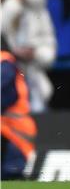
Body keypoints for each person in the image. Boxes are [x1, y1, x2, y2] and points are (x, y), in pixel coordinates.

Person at [1, 0, 56, 113]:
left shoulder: (35, 2)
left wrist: (34, 54)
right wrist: (14, 1)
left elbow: (49, 50)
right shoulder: (16, 0)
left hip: (32, 92)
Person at [1, 39, 37, 180]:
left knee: (10, 176)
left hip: (13, 132)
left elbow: (4, 95)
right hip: (10, 130)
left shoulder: (4, 63)